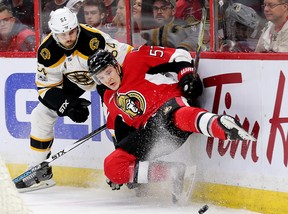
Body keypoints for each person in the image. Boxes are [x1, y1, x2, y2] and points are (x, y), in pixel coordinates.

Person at [87, 46, 256, 202]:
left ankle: (219, 125)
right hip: (151, 132)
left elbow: (178, 55)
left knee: (176, 116)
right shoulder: (109, 99)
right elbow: (119, 136)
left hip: (168, 106)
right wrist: (126, 173)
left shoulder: (135, 58)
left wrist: (187, 75)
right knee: (112, 166)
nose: (107, 80)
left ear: (116, 65)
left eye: (108, 72)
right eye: (100, 78)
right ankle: (173, 173)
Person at [14, 7, 132, 191]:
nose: (68, 38)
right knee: (41, 113)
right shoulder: (47, 51)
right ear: (54, 33)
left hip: (107, 79)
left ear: (77, 27)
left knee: (116, 115)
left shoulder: (94, 39)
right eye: (62, 35)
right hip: (75, 82)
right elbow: (46, 88)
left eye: (71, 31)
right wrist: (68, 106)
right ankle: (39, 171)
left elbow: (129, 57)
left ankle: (129, 166)